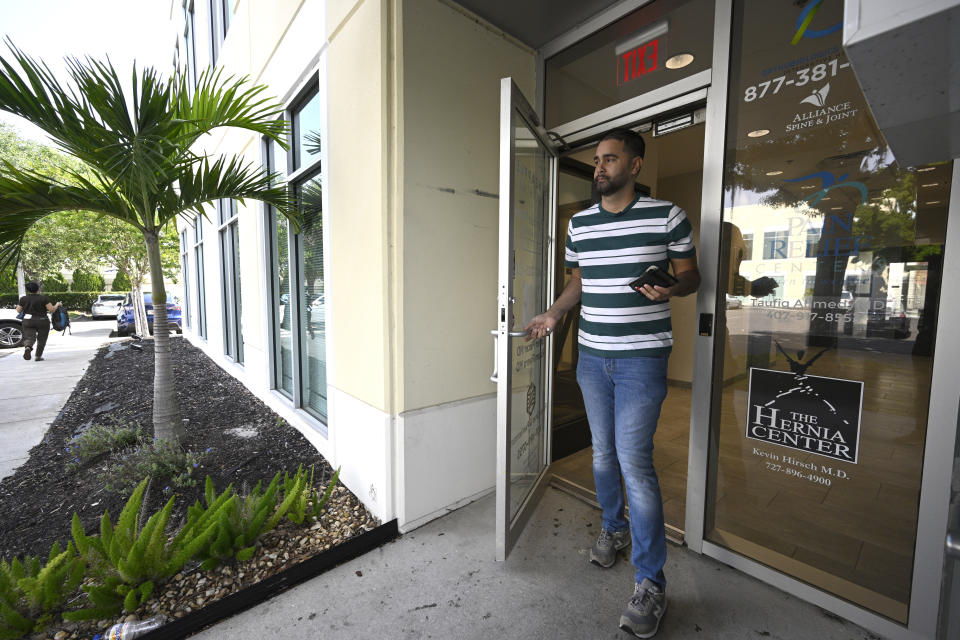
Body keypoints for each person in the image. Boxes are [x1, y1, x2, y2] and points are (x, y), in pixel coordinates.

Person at [525, 128, 700, 638]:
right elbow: (577, 282)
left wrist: (669, 284)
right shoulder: (579, 224)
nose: (599, 167)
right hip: (592, 357)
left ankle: (651, 583)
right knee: (603, 455)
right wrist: (556, 313)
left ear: (635, 165)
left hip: (642, 359)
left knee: (635, 463)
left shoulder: (667, 215)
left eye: (609, 159)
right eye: (597, 160)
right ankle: (614, 528)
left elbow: (691, 276)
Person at [15, 282, 62, 362]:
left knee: (30, 337)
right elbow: (51, 309)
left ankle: (28, 347)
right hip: (42, 321)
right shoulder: (43, 298)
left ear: (28, 290)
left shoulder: (23, 299)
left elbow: (18, 310)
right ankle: (38, 356)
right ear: (38, 289)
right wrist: (57, 304)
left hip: (28, 321)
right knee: (42, 339)